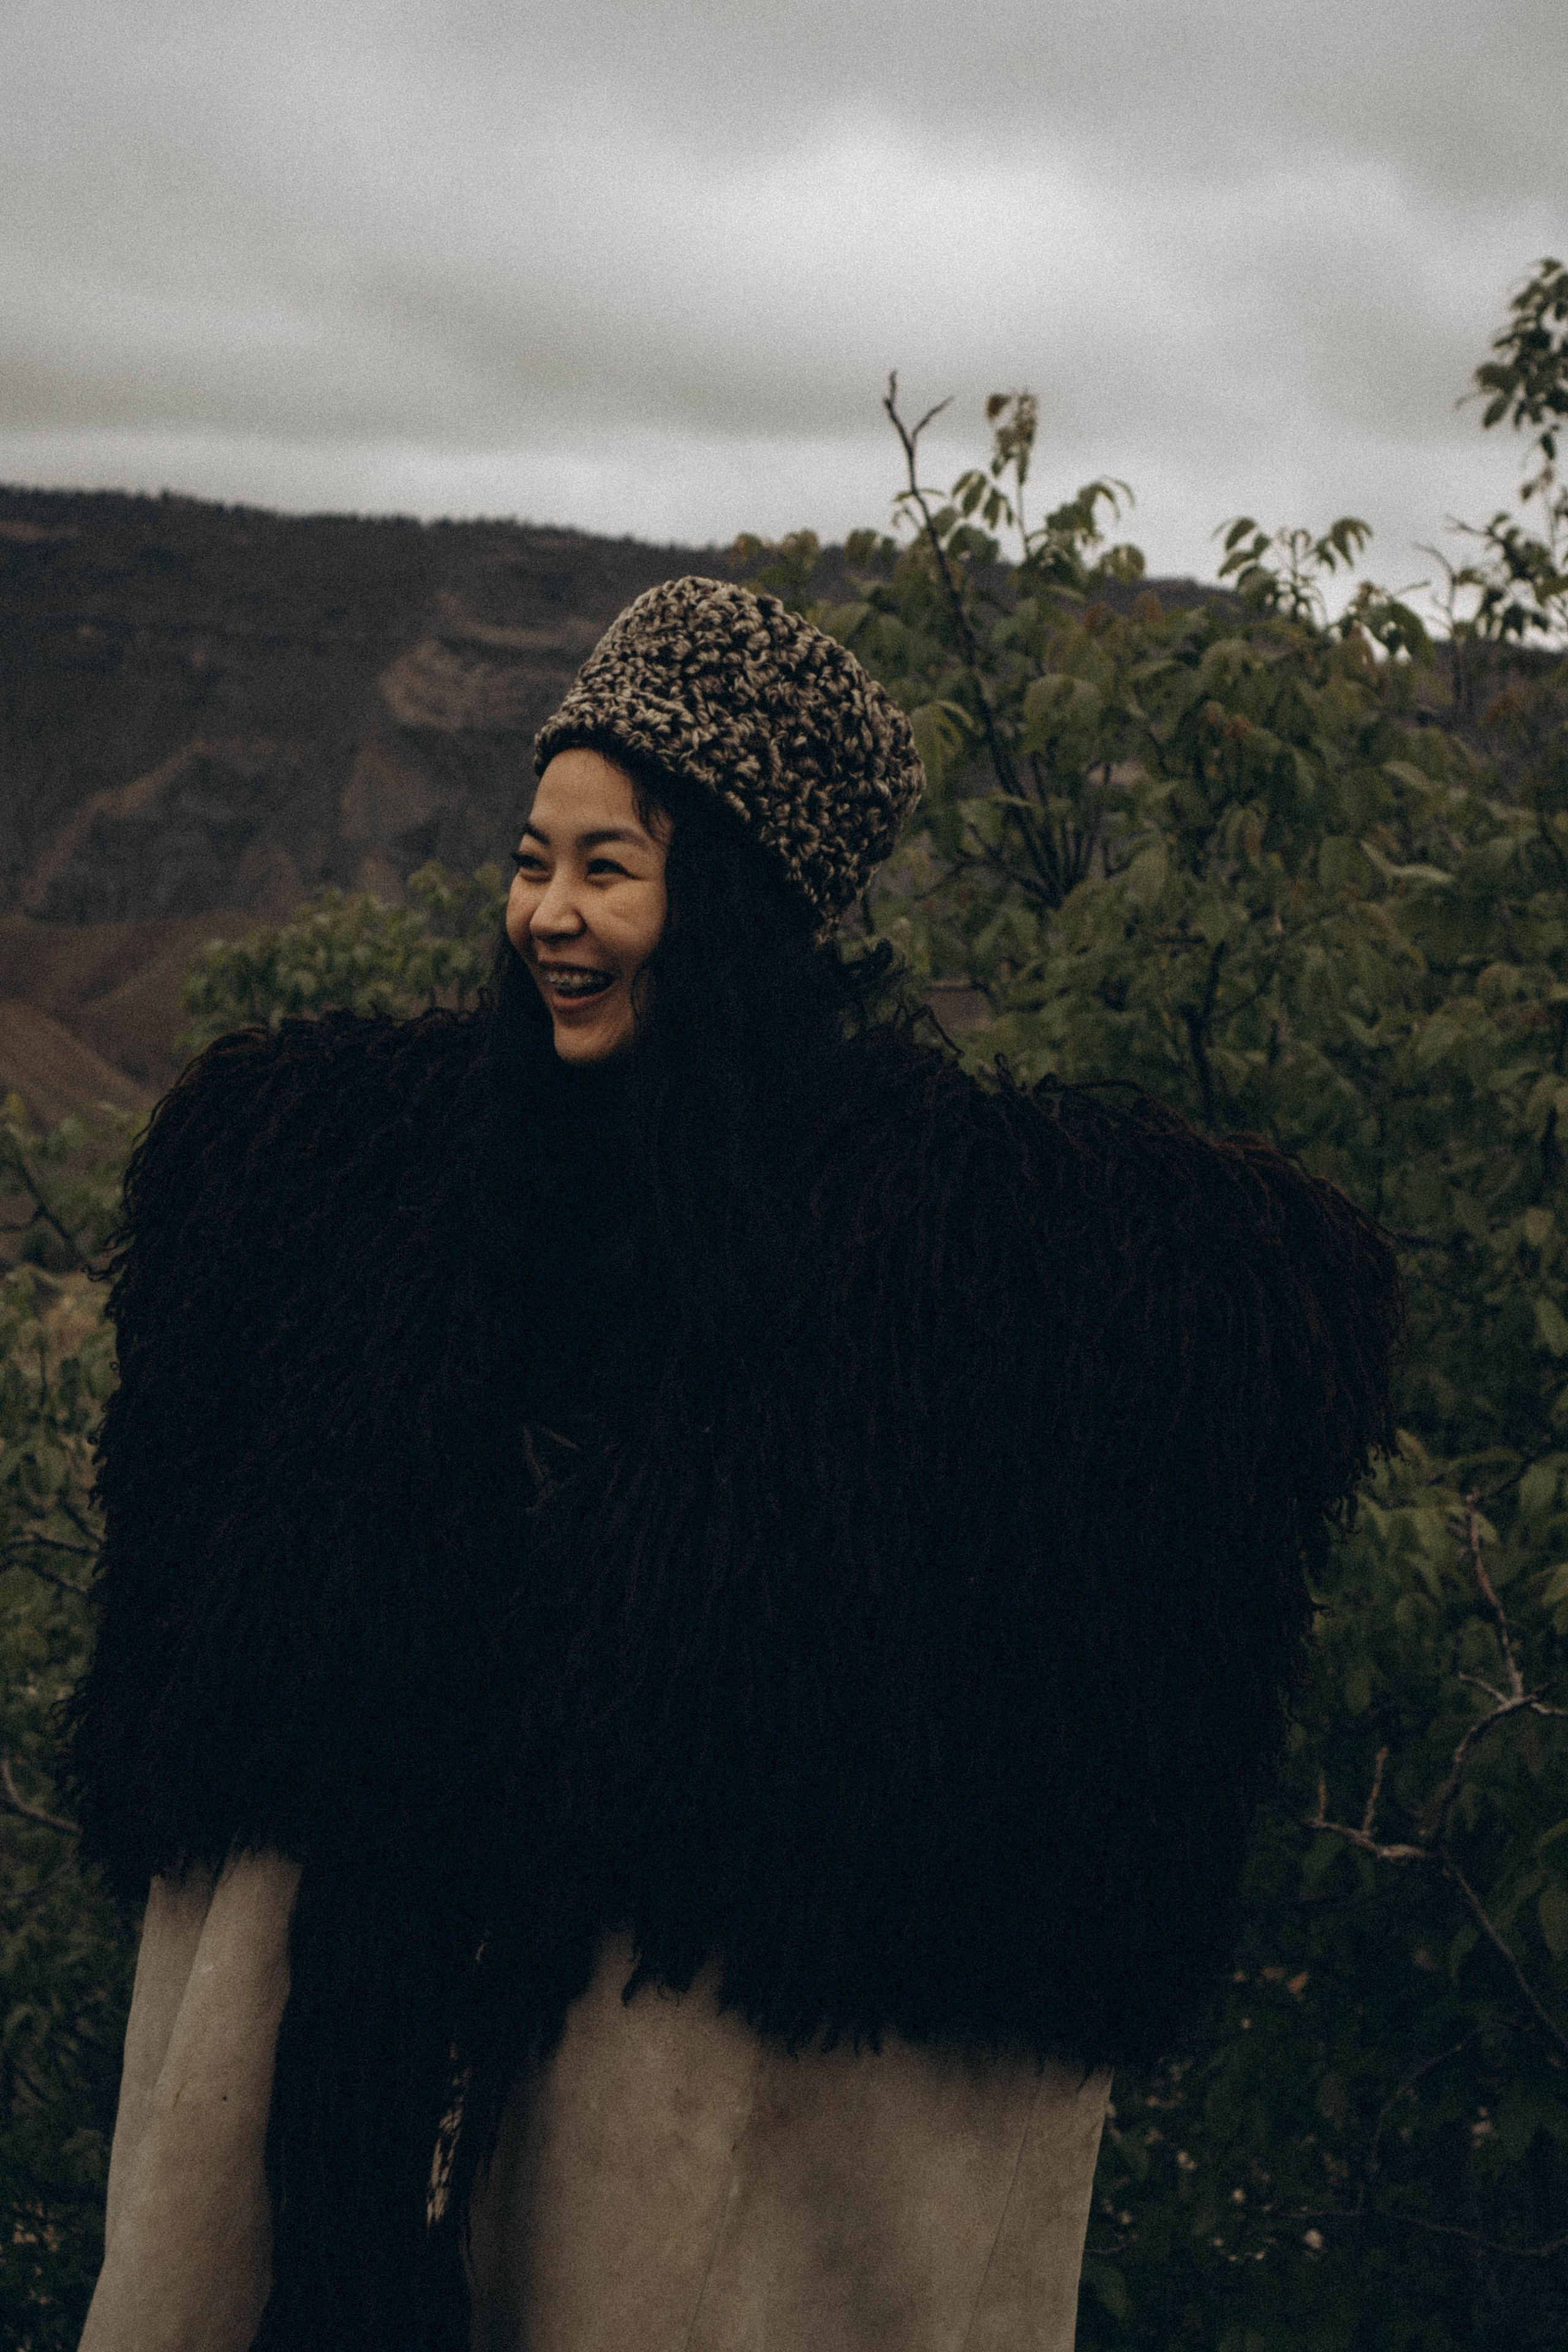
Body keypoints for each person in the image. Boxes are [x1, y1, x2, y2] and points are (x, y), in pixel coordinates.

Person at [69, 577, 1400, 2351]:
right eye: (533, 859)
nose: (548, 913)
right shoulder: (376, 1196)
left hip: (619, 2115)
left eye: (608, 869)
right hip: (373, 2055)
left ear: (743, 901)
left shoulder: (926, 1278)